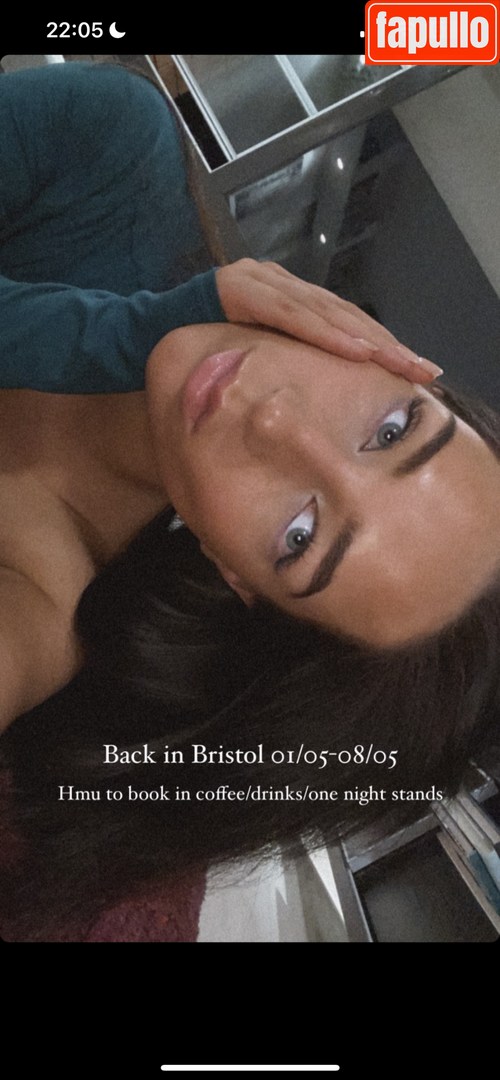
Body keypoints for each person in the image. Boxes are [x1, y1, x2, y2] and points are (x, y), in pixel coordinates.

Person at [1, 58, 499, 939]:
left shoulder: (30, 611)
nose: (275, 423)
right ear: (399, 360)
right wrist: (110, 336)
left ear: (236, 578)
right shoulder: (104, 156)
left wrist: (123, 340)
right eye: (392, 430)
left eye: (301, 536)